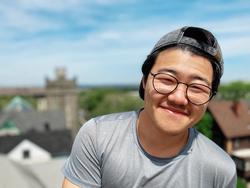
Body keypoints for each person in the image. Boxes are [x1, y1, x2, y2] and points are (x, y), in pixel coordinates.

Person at [62, 26, 237, 188]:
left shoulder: (219, 171)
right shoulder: (98, 137)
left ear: (209, 98)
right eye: (167, 79)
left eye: (197, 87)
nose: (178, 98)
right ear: (145, 81)